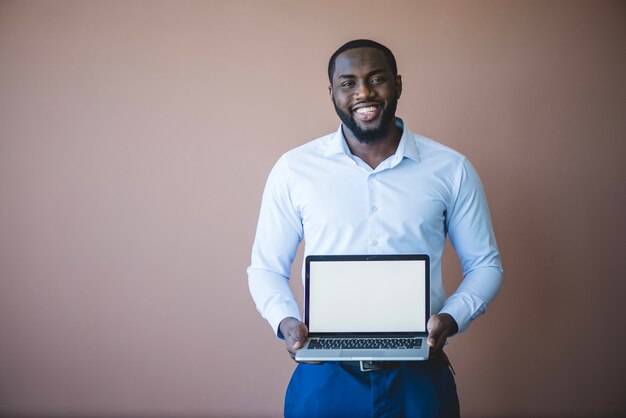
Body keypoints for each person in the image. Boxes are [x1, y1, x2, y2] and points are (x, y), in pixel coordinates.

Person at [247, 39, 503, 417]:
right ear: (332, 92)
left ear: (397, 85)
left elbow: (485, 265)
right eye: (348, 83)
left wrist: (450, 319)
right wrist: (285, 322)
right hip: (325, 381)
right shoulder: (294, 169)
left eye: (376, 79)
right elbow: (266, 268)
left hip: (418, 381)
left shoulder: (451, 168)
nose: (363, 92)